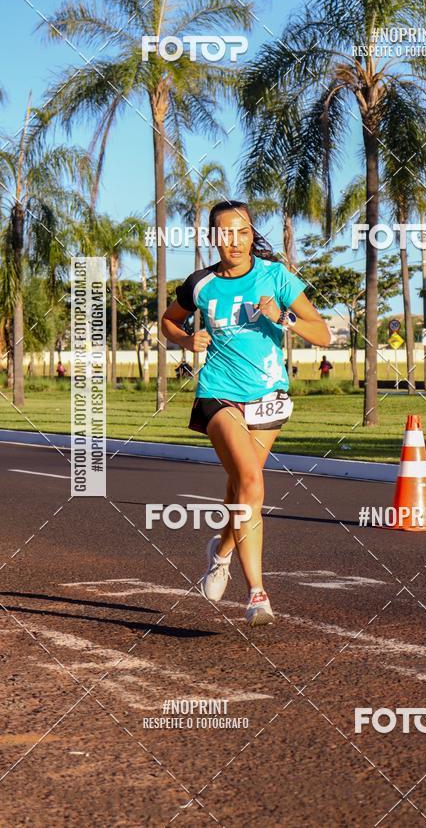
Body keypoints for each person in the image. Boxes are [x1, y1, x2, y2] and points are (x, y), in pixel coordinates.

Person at [161, 200, 331, 627]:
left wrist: (285, 317)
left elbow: (324, 334)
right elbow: (168, 321)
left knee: (241, 488)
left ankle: (220, 553)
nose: (234, 241)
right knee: (252, 481)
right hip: (218, 392)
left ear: (252, 234)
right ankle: (257, 594)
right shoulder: (200, 284)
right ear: (213, 238)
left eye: (242, 232)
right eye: (225, 233)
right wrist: (186, 340)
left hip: (268, 394)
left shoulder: (276, 277)